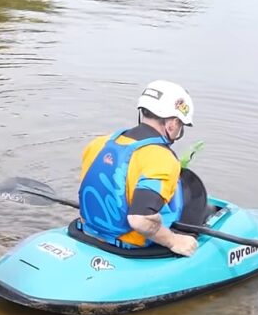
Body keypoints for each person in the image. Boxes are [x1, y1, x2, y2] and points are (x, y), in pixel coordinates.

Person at [76, 80, 208, 256]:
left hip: (90, 230)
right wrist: (174, 241)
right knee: (191, 191)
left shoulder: (100, 143)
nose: (179, 131)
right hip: (128, 243)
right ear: (173, 123)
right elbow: (139, 220)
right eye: (181, 126)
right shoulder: (163, 159)